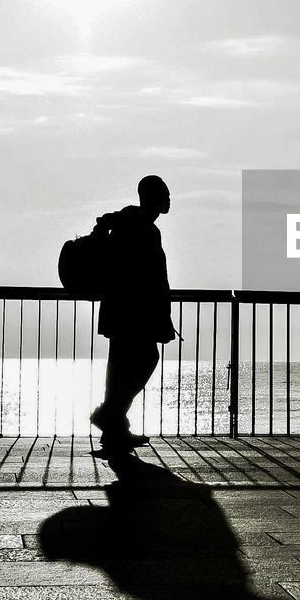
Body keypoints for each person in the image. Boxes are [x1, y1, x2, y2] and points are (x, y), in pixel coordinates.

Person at [90, 174, 176, 444]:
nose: (169, 198)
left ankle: (114, 424)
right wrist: (161, 313)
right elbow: (150, 279)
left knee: (120, 367)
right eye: (165, 193)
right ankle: (111, 416)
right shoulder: (145, 230)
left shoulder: (130, 222)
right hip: (134, 313)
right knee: (142, 360)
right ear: (152, 198)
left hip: (122, 310)